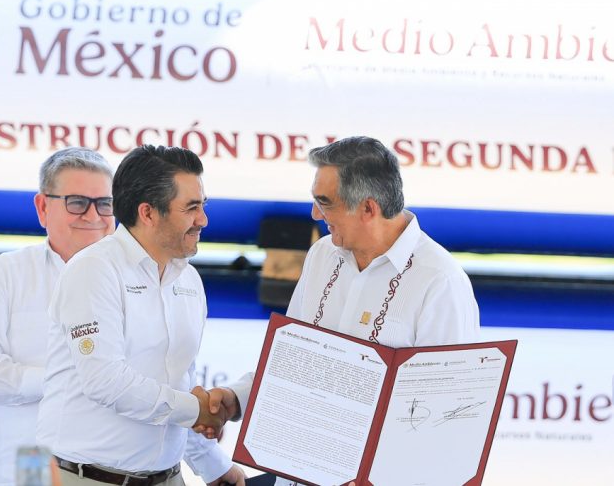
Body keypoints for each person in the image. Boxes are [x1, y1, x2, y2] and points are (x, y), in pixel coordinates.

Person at [196, 136, 480, 485]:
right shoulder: (322, 254)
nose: (315, 214)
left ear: (368, 208)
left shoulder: (440, 282)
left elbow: (447, 421)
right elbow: (292, 362)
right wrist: (236, 398)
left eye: (324, 202)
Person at [36, 145, 244, 486]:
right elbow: (106, 382)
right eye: (191, 208)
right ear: (148, 213)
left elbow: (176, 388)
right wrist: (198, 410)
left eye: (203, 206)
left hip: (168, 478)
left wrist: (213, 466)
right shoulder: (94, 270)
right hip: (85, 479)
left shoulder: (189, 280)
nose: (203, 220)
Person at [0, 147, 115, 486]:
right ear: (43, 207)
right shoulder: (7, 273)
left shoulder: (135, 281)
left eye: (105, 203)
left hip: (112, 471)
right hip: (29, 467)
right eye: (77, 202)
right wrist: (67, 380)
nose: (93, 216)